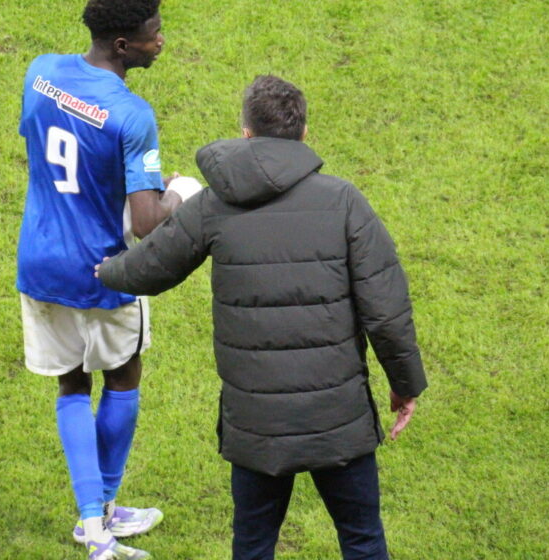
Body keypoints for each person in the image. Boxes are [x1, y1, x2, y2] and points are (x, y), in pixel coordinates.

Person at [95, 75, 428, 560]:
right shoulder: (343, 202)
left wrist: (105, 271)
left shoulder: (213, 205)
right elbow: (387, 311)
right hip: (338, 420)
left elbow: (150, 268)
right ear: (304, 133)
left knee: (252, 547)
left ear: (246, 132)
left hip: (256, 427)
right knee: (362, 540)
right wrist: (405, 385)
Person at [16, 0, 201, 560]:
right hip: (104, 270)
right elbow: (147, 223)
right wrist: (181, 193)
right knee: (122, 375)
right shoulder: (131, 113)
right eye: (152, 36)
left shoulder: (40, 71)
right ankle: (101, 525)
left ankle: (95, 521)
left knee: (73, 381)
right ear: (123, 45)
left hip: (41, 258)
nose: (161, 41)